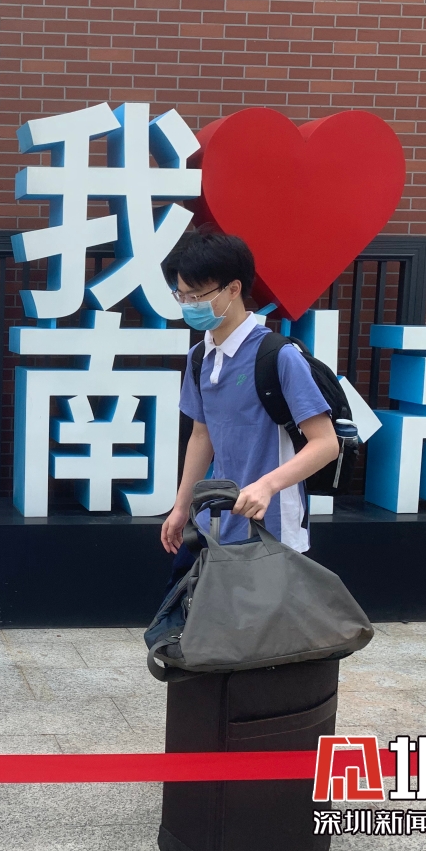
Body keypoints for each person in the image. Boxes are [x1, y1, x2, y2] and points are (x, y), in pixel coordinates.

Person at [160, 233, 340, 591]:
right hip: (217, 522)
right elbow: (202, 436)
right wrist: (181, 507)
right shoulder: (199, 357)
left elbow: (326, 444)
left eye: (198, 295)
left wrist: (266, 486)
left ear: (233, 289)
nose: (189, 305)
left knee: (263, 624)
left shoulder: (278, 356)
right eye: (182, 295)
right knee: (199, 615)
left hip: (272, 528)